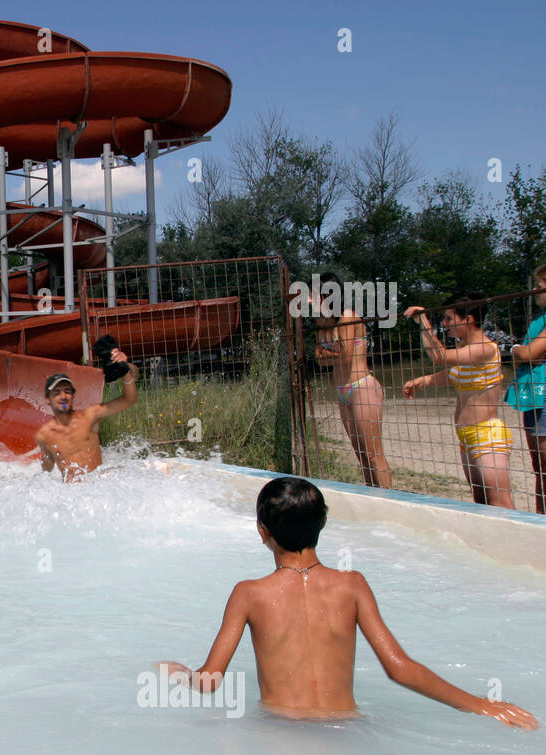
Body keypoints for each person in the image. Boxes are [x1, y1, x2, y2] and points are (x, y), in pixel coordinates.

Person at [158, 477, 537, 728]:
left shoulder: (248, 593)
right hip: (346, 731)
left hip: (281, 735)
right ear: (322, 525)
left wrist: (176, 672)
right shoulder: (352, 584)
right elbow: (400, 669)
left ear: (263, 533)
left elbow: (208, 683)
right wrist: (482, 705)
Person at [402, 293, 514, 509]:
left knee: (500, 503)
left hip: (487, 435)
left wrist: (423, 321)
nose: (445, 324)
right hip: (467, 436)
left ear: (468, 319)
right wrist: (425, 380)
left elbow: (440, 357)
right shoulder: (467, 350)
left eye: (448, 319)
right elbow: (454, 372)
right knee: (480, 502)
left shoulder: (485, 348)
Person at [312, 272, 392, 488]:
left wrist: (328, 353)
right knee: (362, 456)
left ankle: (388, 502)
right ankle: (372, 497)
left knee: (374, 455)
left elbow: (344, 357)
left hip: (361, 388)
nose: (310, 299)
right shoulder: (323, 320)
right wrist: (331, 353)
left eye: (314, 294)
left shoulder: (347, 316)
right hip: (342, 390)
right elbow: (319, 358)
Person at [33, 349, 138, 481]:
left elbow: (129, 400)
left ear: (73, 395)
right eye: (57, 392)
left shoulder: (90, 416)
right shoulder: (43, 435)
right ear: (48, 399)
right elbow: (46, 469)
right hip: (73, 494)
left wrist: (126, 373)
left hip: (96, 487)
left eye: (67, 391)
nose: (63, 396)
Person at [508, 264, 546, 514]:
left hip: (543, 399)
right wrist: (521, 353)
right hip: (534, 397)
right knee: (539, 469)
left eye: (539, 286)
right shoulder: (539, 321)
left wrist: (517, 350)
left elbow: (529, 352)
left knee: (544, 467)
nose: (534, 290)